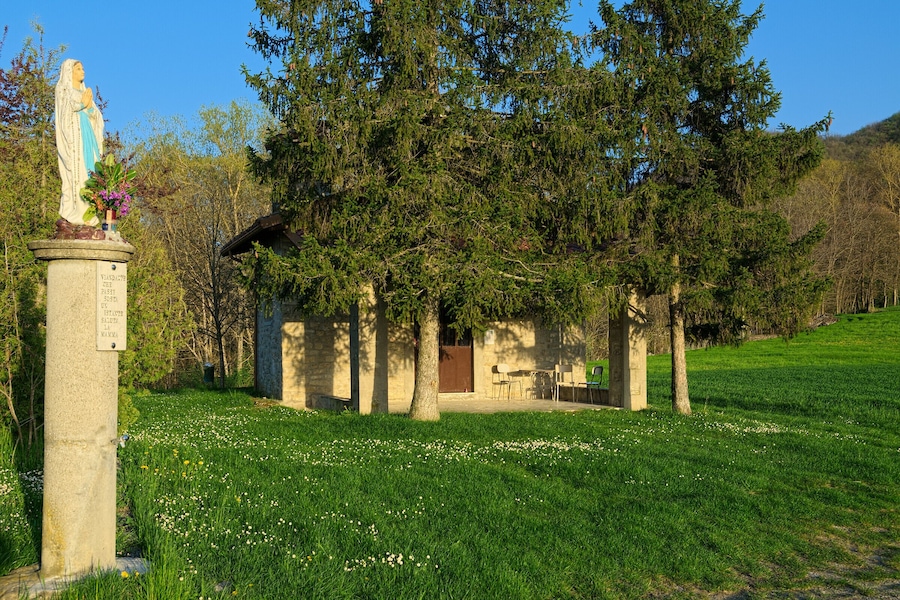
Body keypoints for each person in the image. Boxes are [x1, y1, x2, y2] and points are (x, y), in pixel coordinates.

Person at [55, 59, 103, 225]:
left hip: (87, 137)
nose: (83, 71)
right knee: (78, 173)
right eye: (78, 69)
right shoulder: (64, 90)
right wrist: (82, 103)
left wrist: (89, 107)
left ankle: (88, 213)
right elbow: (65, 113)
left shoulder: (84, 91)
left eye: (83, 68)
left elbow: (95, 117)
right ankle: (75, 212)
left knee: (89, 171)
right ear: (70, 72)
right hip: (75, 140)